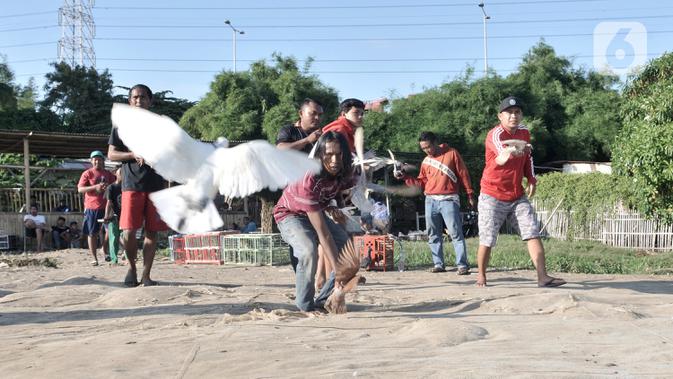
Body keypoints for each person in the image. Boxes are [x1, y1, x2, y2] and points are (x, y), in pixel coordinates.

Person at [476, 96, 566, 288]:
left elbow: (528, 158)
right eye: (509, 112)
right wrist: (514, 149)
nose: (513, 116)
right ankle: (481, 275)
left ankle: (543, 277)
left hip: (517, 195)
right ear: (500, 116)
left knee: (532, 232)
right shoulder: (495, 134)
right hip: (491, 194)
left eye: (517, 112)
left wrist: (531, 178)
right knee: (488, 238)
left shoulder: (525, 132)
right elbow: (502, 155)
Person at [273, 131, 356, 312]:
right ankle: (305, 306)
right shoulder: (309, 179)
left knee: (349, 255)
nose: (334, 160)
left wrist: (335, 206)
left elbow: (337, 193)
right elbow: (324, 235)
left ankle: (324, 302)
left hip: (317, 211)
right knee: (309, 251)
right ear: (320, 154)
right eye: (328, 154)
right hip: (290, 215)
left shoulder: (345, 171)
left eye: (339, 154)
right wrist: (340, 274)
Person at [108, 84, 168, 287]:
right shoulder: (121, 126)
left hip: (156, 185)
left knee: (152, 232)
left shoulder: (160, 125)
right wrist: (133, 154)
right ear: (129, 101)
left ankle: (147, 275)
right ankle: (131, 269)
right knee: (128, 231)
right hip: (131, 184)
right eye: (134, 97)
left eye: (143, 97)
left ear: (150, 101)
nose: (139, 101)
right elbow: (111, 154)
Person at [395, 131, 474, 274]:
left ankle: (462, 265)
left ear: (435, 142)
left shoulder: (451, 153)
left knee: (455, 232)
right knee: (433, 233)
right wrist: (404, 177)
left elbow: (463, 174)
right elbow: (421, 183)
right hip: (430, 200)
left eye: (428, 147)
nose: (427, 150)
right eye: (423, 148)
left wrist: (469, 194)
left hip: (449, 199)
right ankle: (439, 264)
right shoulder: (426, 161)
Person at [78, 150, 116, 266]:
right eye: (95, 159)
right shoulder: (87, 173)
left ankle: (104, 249)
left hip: (107, 207)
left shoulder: (109, 174)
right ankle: (94, 258)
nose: (97, 161)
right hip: (92, 207)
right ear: (91, 161)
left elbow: (115, 185)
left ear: (103, 161)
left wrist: (108, 187)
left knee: (110, 231)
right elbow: (80, 189)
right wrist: (95, 187)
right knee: (92, 233)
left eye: (99, 159)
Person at [104, 168, 123, 263]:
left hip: (125, 215)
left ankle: (128, 257)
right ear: (116, 174)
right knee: (114, 238)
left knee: (126, 236)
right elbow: (109, 202)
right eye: (121, 173)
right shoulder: (111, 188)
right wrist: (106, 215)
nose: (123, 175)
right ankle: (114, 259)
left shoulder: (127, 187)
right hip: (114, 216)